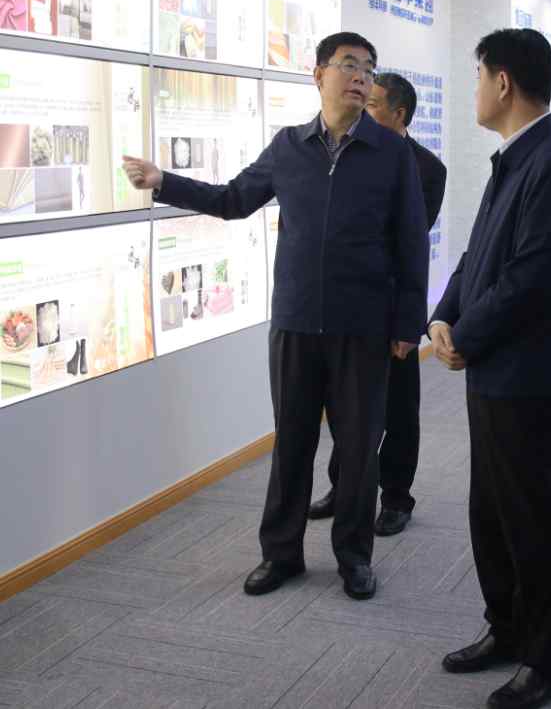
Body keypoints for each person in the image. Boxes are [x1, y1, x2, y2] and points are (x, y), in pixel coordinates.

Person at [122, 32, 428, 602]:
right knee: (291, 444)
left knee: (358, 450)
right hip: (295, 321)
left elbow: (412, 241)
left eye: (368, 68)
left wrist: (408, 324)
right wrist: (165, 182)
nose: (361, 77)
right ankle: (280, 553)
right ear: (318, 75)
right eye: (349, 65)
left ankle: (354, 558)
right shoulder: (288, 147)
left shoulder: (391, 153)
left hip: (362, 326)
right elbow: (233, 199)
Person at [429, 28, 551, 709]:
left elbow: (532, 277)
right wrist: (442, 316)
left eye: (478, 76)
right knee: (491, 511)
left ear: (502, 82)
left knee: (530, 516)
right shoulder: (516, 157)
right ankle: (508, 627)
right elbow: (478, 256)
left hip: (527, 372)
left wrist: (464, 336)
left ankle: (549, 658)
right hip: (494, 366)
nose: (474, 89)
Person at [309, 72, 446, 537]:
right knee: (345, 406)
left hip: (392, 306)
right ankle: (342, 486)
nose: (361, 107)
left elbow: (407, 243)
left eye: (372, 104)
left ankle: (396, 497)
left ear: (399, 114)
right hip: (348, 307)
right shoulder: (346, 152)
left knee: (400, 409)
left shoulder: (428, 168)